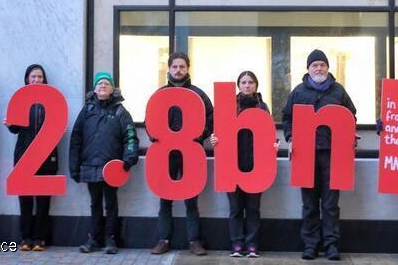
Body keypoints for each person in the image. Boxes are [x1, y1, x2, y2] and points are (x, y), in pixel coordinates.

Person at [282, 49, 356, 261]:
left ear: (328, 68)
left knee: (331, 204)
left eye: (322, 65)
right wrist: (290, 138)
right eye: (315, 65)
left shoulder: (338, 91)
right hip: (305, 154)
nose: (319, 68)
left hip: (333, 154)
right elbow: (287, 118)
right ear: (308, 69)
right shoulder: (297, 92)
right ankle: (310, 245)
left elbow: (351, 115)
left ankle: (331, 245)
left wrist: (350, 135)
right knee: (309, 203)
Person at [150, 52, 214, 256]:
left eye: (182, 67)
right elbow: (150, 120)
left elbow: (211, 118)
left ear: (188, 69)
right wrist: (156, 138)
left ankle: (194, 241)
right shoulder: (159, 94)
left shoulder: (198, 94)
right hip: (165, 155)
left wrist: (198, 138)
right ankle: (163, 240)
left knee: (191, 200)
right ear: (169, 69)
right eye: (175, 67)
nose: (178, 70)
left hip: (190, 154)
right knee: (164, 199)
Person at [209, 71, 277, 258]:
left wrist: (273, 144)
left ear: (256, 85)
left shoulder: (262, 107)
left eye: (251, 82)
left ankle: (252, 245)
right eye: (244, 82)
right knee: (236, 208)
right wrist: (214, 139)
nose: (247, 85)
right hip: (232, 163)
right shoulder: (227, 106)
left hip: (256, 164)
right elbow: (218, 131)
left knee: (253, 208)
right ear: (239, 85)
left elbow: (268, 132)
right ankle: (237, 244)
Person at [70, 71, 139, 254]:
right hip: (90, 165)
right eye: (99, 83)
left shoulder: (120, 111)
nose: (102, 86)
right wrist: (74, 166)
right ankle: (94, 239)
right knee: (95, 203)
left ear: (112, 88)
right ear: (94, 88)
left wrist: (128, 159)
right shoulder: (86, 111)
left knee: (111, 204)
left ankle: (111, 239)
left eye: (106, 83)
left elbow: (130, 136)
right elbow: (76, 138)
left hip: (112, 168)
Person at [4, 64, 58, 251]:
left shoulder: (52, 100)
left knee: (43, 201)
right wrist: (10, 124)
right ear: (27, 78)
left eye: (39, 77)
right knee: (25, 200)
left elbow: (57, 126)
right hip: (24, 157)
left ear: (44, 79)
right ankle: (26, 237)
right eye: (33, 76)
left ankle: (40, 238)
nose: (36, 80)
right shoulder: (21, 99)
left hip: (46, 156)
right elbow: (15, 129)